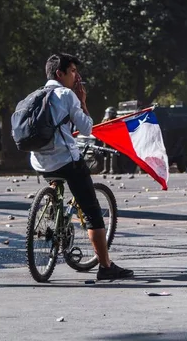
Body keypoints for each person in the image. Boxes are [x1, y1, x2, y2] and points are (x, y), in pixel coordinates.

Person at [30, 53, 133, 280]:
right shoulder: (67, 95)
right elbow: (86, 129)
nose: (76, 76)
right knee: (92, 211)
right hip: (65, 160)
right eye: (73, 71)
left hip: (38, 161)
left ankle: (54, 209)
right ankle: (106, 267)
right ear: (60, 73)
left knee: (57, 177)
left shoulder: (36, 95)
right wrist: (82, 101)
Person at [100, 106, 119, 174]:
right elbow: (101, 128)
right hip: (106, 140)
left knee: (113, 155)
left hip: (113, 140)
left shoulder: (117, 120)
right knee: (106, 155)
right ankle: (106, 169)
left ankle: (113, 169)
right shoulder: (105, 120)